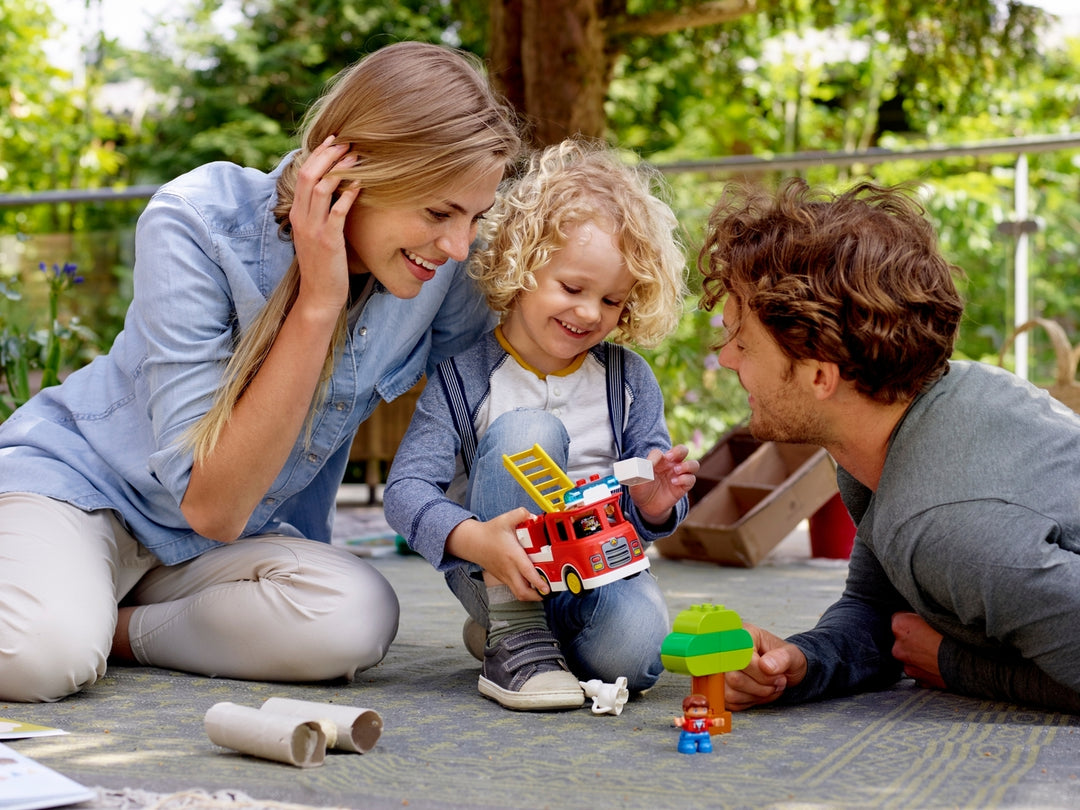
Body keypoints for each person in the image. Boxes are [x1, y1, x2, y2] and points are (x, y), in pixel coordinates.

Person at [0, 41, 522, 703]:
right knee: (39, 658)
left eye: (473, 216)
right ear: (346, 173)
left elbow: (475, 434)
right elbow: (213, 503)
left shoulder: (445, 270)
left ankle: (110, 626)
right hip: (82, 494)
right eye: (438, 212)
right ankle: (58, 607)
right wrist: (319, 302)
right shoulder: (196, 221)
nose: (457, 245)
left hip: (212, 555)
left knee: (354, 617)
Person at [699, 178, 1080, 714]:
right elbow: (881, 609)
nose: (730, 361)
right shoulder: (894, 429)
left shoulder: (952, 526)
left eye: (742, 343)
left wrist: (955, 664)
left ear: (820, 376)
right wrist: (802, 662)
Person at [383, 140, 698, 711]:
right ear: (522, 264)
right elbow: (406, 491)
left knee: (640, 657)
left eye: (611, 301)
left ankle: (536, 645)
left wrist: (654, 502)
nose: (588, 313)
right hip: (497, 573)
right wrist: (473, 540)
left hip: (598, 572)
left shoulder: (627, 379)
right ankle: (511, 628)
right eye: (572, 289)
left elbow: (644, 508)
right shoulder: (464, 377)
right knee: (527, 432)